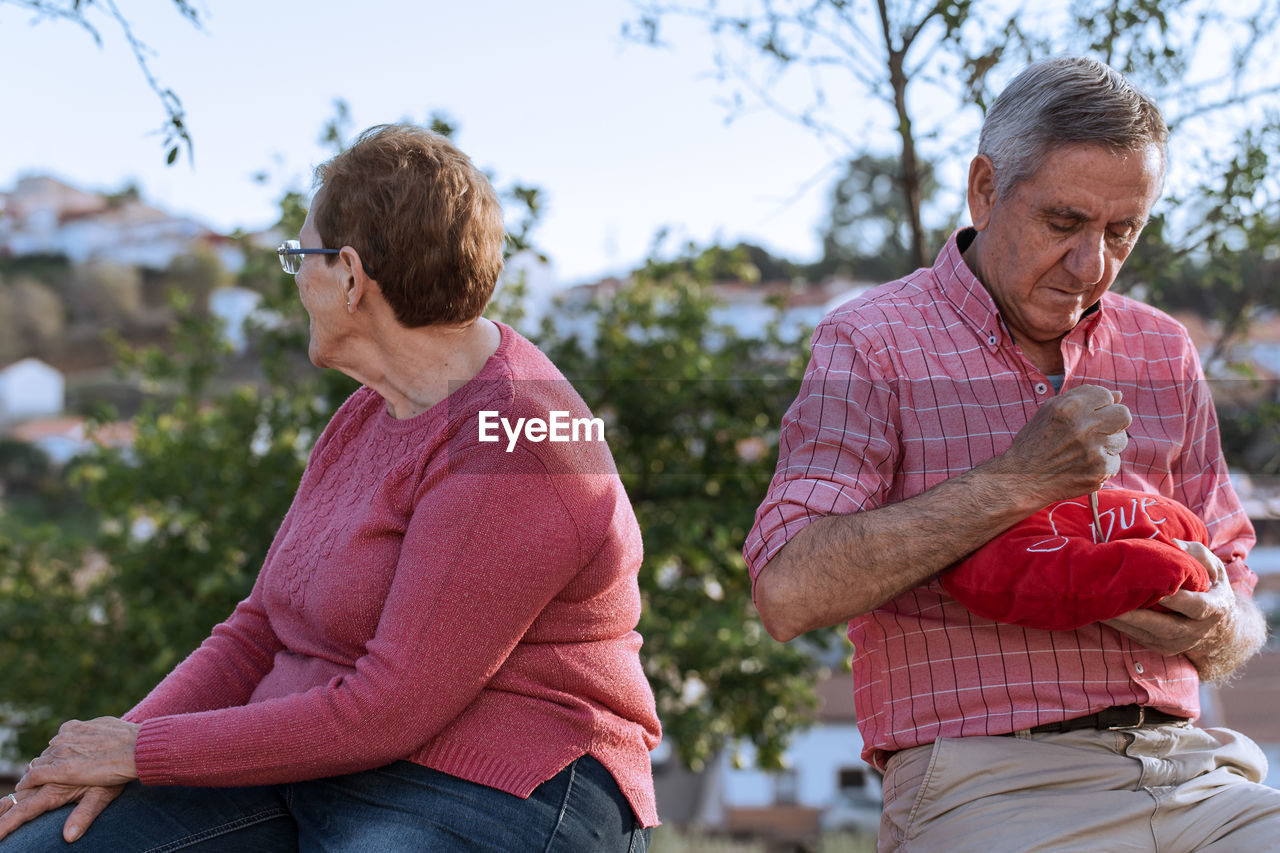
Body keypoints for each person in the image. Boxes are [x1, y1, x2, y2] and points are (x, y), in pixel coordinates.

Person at [0, 124, 661, 852]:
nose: (296, 281)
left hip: (503, 784)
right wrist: (113, 749)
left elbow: (387, 708)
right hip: (319, 759)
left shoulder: (519, 442)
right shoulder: (368, 412)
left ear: (349, 275)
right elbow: (258, 630)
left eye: (298, 257)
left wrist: (142, 752)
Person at [744, 56, 1280, 851]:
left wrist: (1210, 624)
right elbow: (787, 589)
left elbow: (1237, 585)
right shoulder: (872, 342)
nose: (1091, 265)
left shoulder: (1163, 348)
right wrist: (1017, 481)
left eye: (1121, 232)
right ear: (986, 189)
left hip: (1196, 774)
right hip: (991, 785)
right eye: (1064, 223)